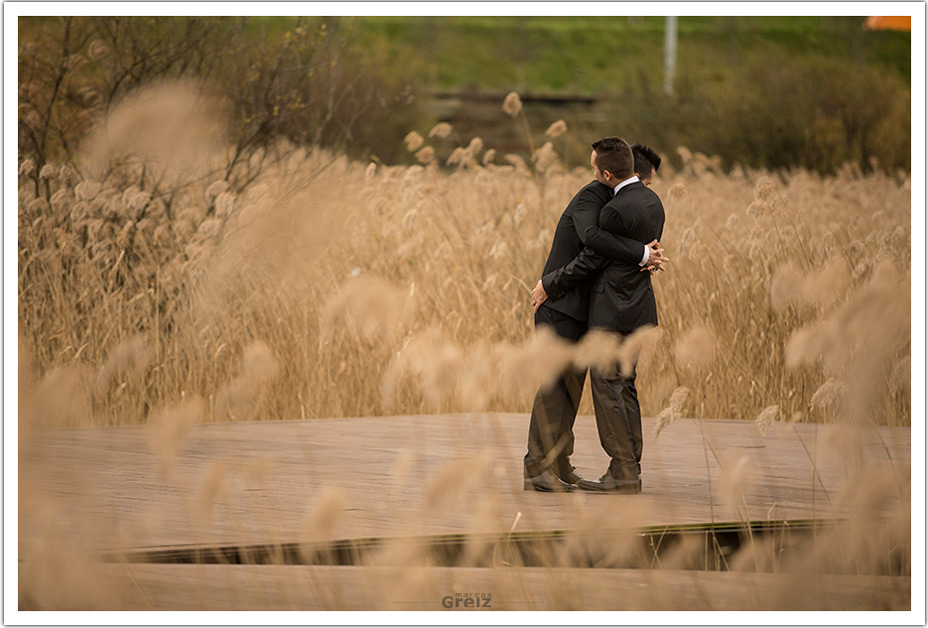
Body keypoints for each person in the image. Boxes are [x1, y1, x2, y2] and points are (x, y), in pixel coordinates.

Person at [523, 137, 666, 492]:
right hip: (559, 305)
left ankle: (558, 463)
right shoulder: (592, 196)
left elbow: (606, 250)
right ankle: (536, 468)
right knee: (555, 389)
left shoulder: (620, 201)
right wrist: (641, 254)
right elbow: (592, 240)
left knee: (571, 391)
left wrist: (640, 256)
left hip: (581, 309)